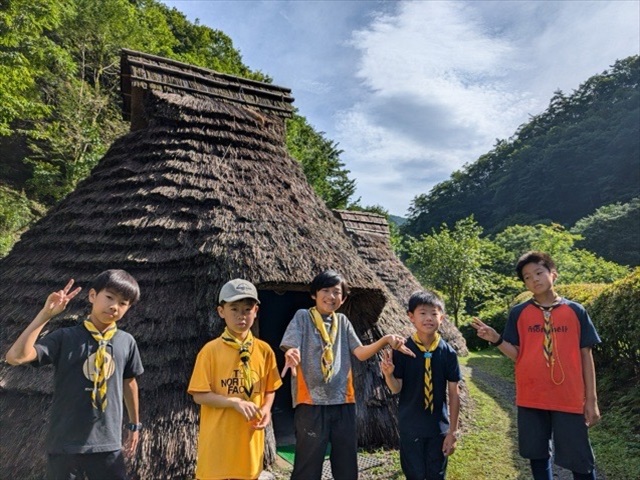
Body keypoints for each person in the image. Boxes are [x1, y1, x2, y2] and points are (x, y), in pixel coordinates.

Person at [471, 251, 601, 480]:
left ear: (554, 274)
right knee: (537, 455)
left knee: (580, 460)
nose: (534, 280)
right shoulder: (519, 313)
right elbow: (518, 355)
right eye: (527, 277)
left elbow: (586, 356)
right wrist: (496, 339)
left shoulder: (576, 311)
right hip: (532, 396)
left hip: (569, 397)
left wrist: (591, 400)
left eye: (539, 273)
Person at [5, 269, 143, 480]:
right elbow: (15, 357)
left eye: (123, 303)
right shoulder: (65, 337)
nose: (115, 306)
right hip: (65, 445)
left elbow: (129, 382)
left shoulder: (126, 342)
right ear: (92, 296)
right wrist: (45, 315)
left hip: (107, 444)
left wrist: (134, 424)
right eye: (109, 297)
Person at [280, 269, 415, 480]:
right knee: (308, 462)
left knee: (346, 462)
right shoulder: (303, 317)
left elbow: (360, 353)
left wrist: (386, 339)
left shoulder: (342, 321)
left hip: (343, 401)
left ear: (342, 299)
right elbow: (291, 344)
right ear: (314, 294)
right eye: (326, 290)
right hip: (310, 402)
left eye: (337, 292)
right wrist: (291, 352)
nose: (331, 296)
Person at [188, 279, 282, 480]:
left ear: (256, 311)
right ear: (221, 311)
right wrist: (233, 402)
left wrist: (266, 409)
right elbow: (199, 395)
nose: (241, 315)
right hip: (218, 445)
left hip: (249, 445)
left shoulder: (264, 351)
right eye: (234, 309)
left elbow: (270, 388)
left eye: (247, 309)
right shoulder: (210, 351)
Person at [380, 290, 461, 480]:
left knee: (436, 474)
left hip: (438, 428)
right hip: (410, 427)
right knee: (414, 474)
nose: (429, 318)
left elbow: (454, 393)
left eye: (434, 313)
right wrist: (388, 374)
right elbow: (396, 388)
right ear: (411, 317)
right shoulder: (402, 350)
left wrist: (453, 432)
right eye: (423, 313)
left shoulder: (448, 353)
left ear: (442, 317)